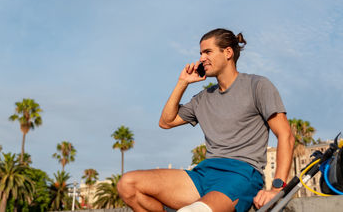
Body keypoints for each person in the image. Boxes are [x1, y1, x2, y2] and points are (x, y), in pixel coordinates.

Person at [117, 28, 295, 212]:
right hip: (204, 174)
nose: (201, 58)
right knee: (127, 185)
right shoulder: (203, 98)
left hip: (241, 175)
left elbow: (285, 135)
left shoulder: (257, 85)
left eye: (207, 52)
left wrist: (276, 188)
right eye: (201, 53)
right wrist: (182, 83)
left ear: (228, 52)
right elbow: (166, 122)